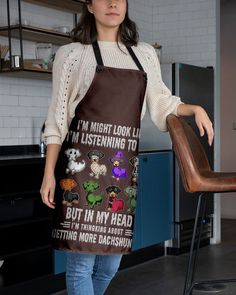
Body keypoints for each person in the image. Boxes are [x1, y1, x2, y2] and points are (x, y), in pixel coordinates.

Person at [40, 0, 214, 294]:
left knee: (110, 264)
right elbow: (57, 121)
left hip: (120, 174)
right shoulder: (71, 55)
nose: (112, 4)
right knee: (81, 264)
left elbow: (161, 102)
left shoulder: (143, 54)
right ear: (90, 6)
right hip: (79, 171)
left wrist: (193, 108)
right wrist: (48, 174)